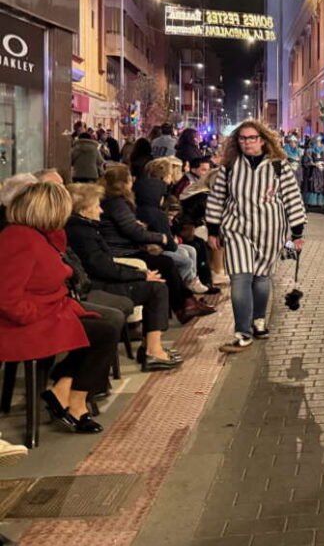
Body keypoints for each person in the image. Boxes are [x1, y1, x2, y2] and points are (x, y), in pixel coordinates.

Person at [0, 182, 118, 433]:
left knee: (104, 328)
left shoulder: (40, 236)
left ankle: (64, 392)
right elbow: (6, 297)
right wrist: (37, 315)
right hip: (22, 325)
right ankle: (73, 401)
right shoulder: (19, 239)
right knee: (104, 332)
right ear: (49, 210)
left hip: (50, 313)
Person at [207, 121, 306, 352]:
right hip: (236, 228)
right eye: (242, 138)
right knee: (240, 277)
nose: (247, 142)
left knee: (261, 277)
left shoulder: (279, 166)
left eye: (251, 138)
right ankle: (243, 332)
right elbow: (216, 197)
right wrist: (213, 229)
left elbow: (292, 197)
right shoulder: (230, 165)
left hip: (270, 230)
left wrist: (297, 231)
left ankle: (258, 320)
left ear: (262, 140)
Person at [65, 184, 180, 371]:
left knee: (155, 284)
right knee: (156, 289)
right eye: (96, 205)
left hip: (100, 281)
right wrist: (141, 275)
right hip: (97, 286)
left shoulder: (84, 227)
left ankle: (149, 347)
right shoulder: (82, 232)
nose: (100, 210)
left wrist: (141, 275)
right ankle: (153, 351)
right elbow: (102, 267)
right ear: (85, 209)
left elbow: (105, 264)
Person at [98, 164, 209, 324]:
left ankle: (186, 303)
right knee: (165, 263)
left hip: (124, 247)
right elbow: (132, 231)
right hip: (122, 251)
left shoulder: (113, 201)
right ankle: (184, 304)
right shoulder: (116, 203)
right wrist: (160, 238)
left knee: (167, 262)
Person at [302, 135, 324, 207]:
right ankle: (312, 202)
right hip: (313, 171)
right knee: (313, 185)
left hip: (322, 171)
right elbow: (305, 162)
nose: (318, 143)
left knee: (322, 185)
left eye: (319, 142)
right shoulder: (309, 151)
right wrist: (313, 164)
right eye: (317, 142)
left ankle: (320, 202)